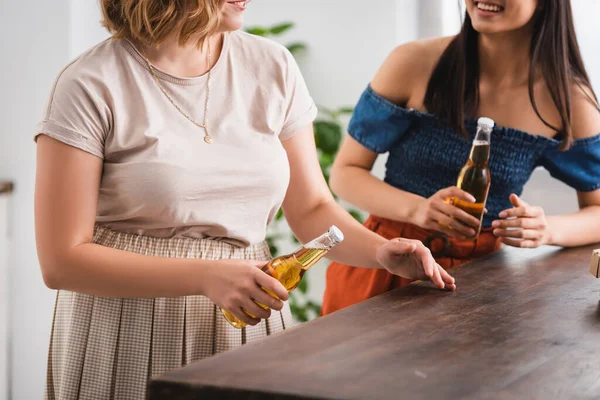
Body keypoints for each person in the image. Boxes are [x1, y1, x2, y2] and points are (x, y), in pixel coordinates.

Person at [34, 0, 455, 398]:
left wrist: (382, 252)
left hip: (249, 325)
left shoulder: (272, 66)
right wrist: (205, 276)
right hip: (125, 328)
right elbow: (62, 260)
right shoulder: (89, 83)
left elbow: (311, 209)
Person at [322, 0, 600, 315]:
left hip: (479, 286)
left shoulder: (569, 100)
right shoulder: (411, 62)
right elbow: (345, 173)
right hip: (383, 265)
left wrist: (546, 229)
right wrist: (418, 209)